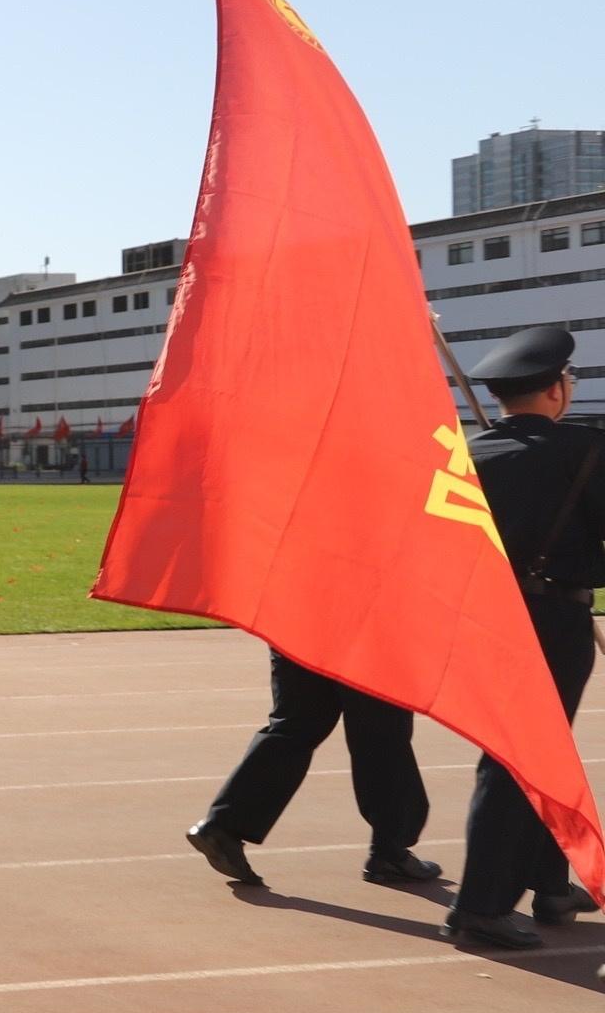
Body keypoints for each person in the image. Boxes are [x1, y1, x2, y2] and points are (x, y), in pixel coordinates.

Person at [446, 325, 605, 948]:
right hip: (554, 619)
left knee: (537, 751)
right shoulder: (587, 452)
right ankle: (480, 906)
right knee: (517, 759)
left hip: (490, 620)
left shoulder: (469, 456)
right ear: (555, 389)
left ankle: (550, 883)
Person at [183, 652, 433, 889]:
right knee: (381, 734)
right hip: (367, 631)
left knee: (296, 726)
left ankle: (225, 825)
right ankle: (391, 850)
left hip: (302, 625)